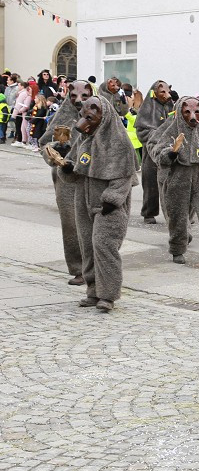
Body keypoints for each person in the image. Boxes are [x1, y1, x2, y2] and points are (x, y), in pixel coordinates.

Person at [55, 96, 136, 313]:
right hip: (83, 200)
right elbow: (74, 173)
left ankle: (108, 295)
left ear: (104, 116)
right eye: (83, 115)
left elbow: (124, 176)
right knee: (88, 247)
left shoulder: (119, 142)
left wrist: (112, 198)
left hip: (109, 205)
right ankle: (92, 290)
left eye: (91, 115)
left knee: (104, 246)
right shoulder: (83, 141)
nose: (85, 120)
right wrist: (65, 168)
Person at [150, 96, 199, 266]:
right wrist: (170, 153)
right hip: (179, 180)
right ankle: (177, 249)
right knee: (178, 218)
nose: (193, 116)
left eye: (197, 112)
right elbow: (157, 151)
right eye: (187, 112)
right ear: (180, 112)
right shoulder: (171, 130)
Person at [39, 80, 93, 284]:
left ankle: (98, 267)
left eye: (84, 96)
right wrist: (56, 150)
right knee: (72, 225)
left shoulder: (100, 112)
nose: (79, 101)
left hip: (92, 175)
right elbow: (44, 142)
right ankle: (78, 268)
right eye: (74, 96)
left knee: (96, 224)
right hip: (67, 180)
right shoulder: (63, 114)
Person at [135, 80, 175, 224]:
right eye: (162, 92)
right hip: (151, 153)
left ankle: (177, 213)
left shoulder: (170, 106)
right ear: (155, 93)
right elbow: (141, 131)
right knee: (151, 183)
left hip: (168, 151)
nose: (166, 95)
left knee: (173, 184)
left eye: (167, 91)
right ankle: (149, 212)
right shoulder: (147, 108)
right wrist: (157, 137)